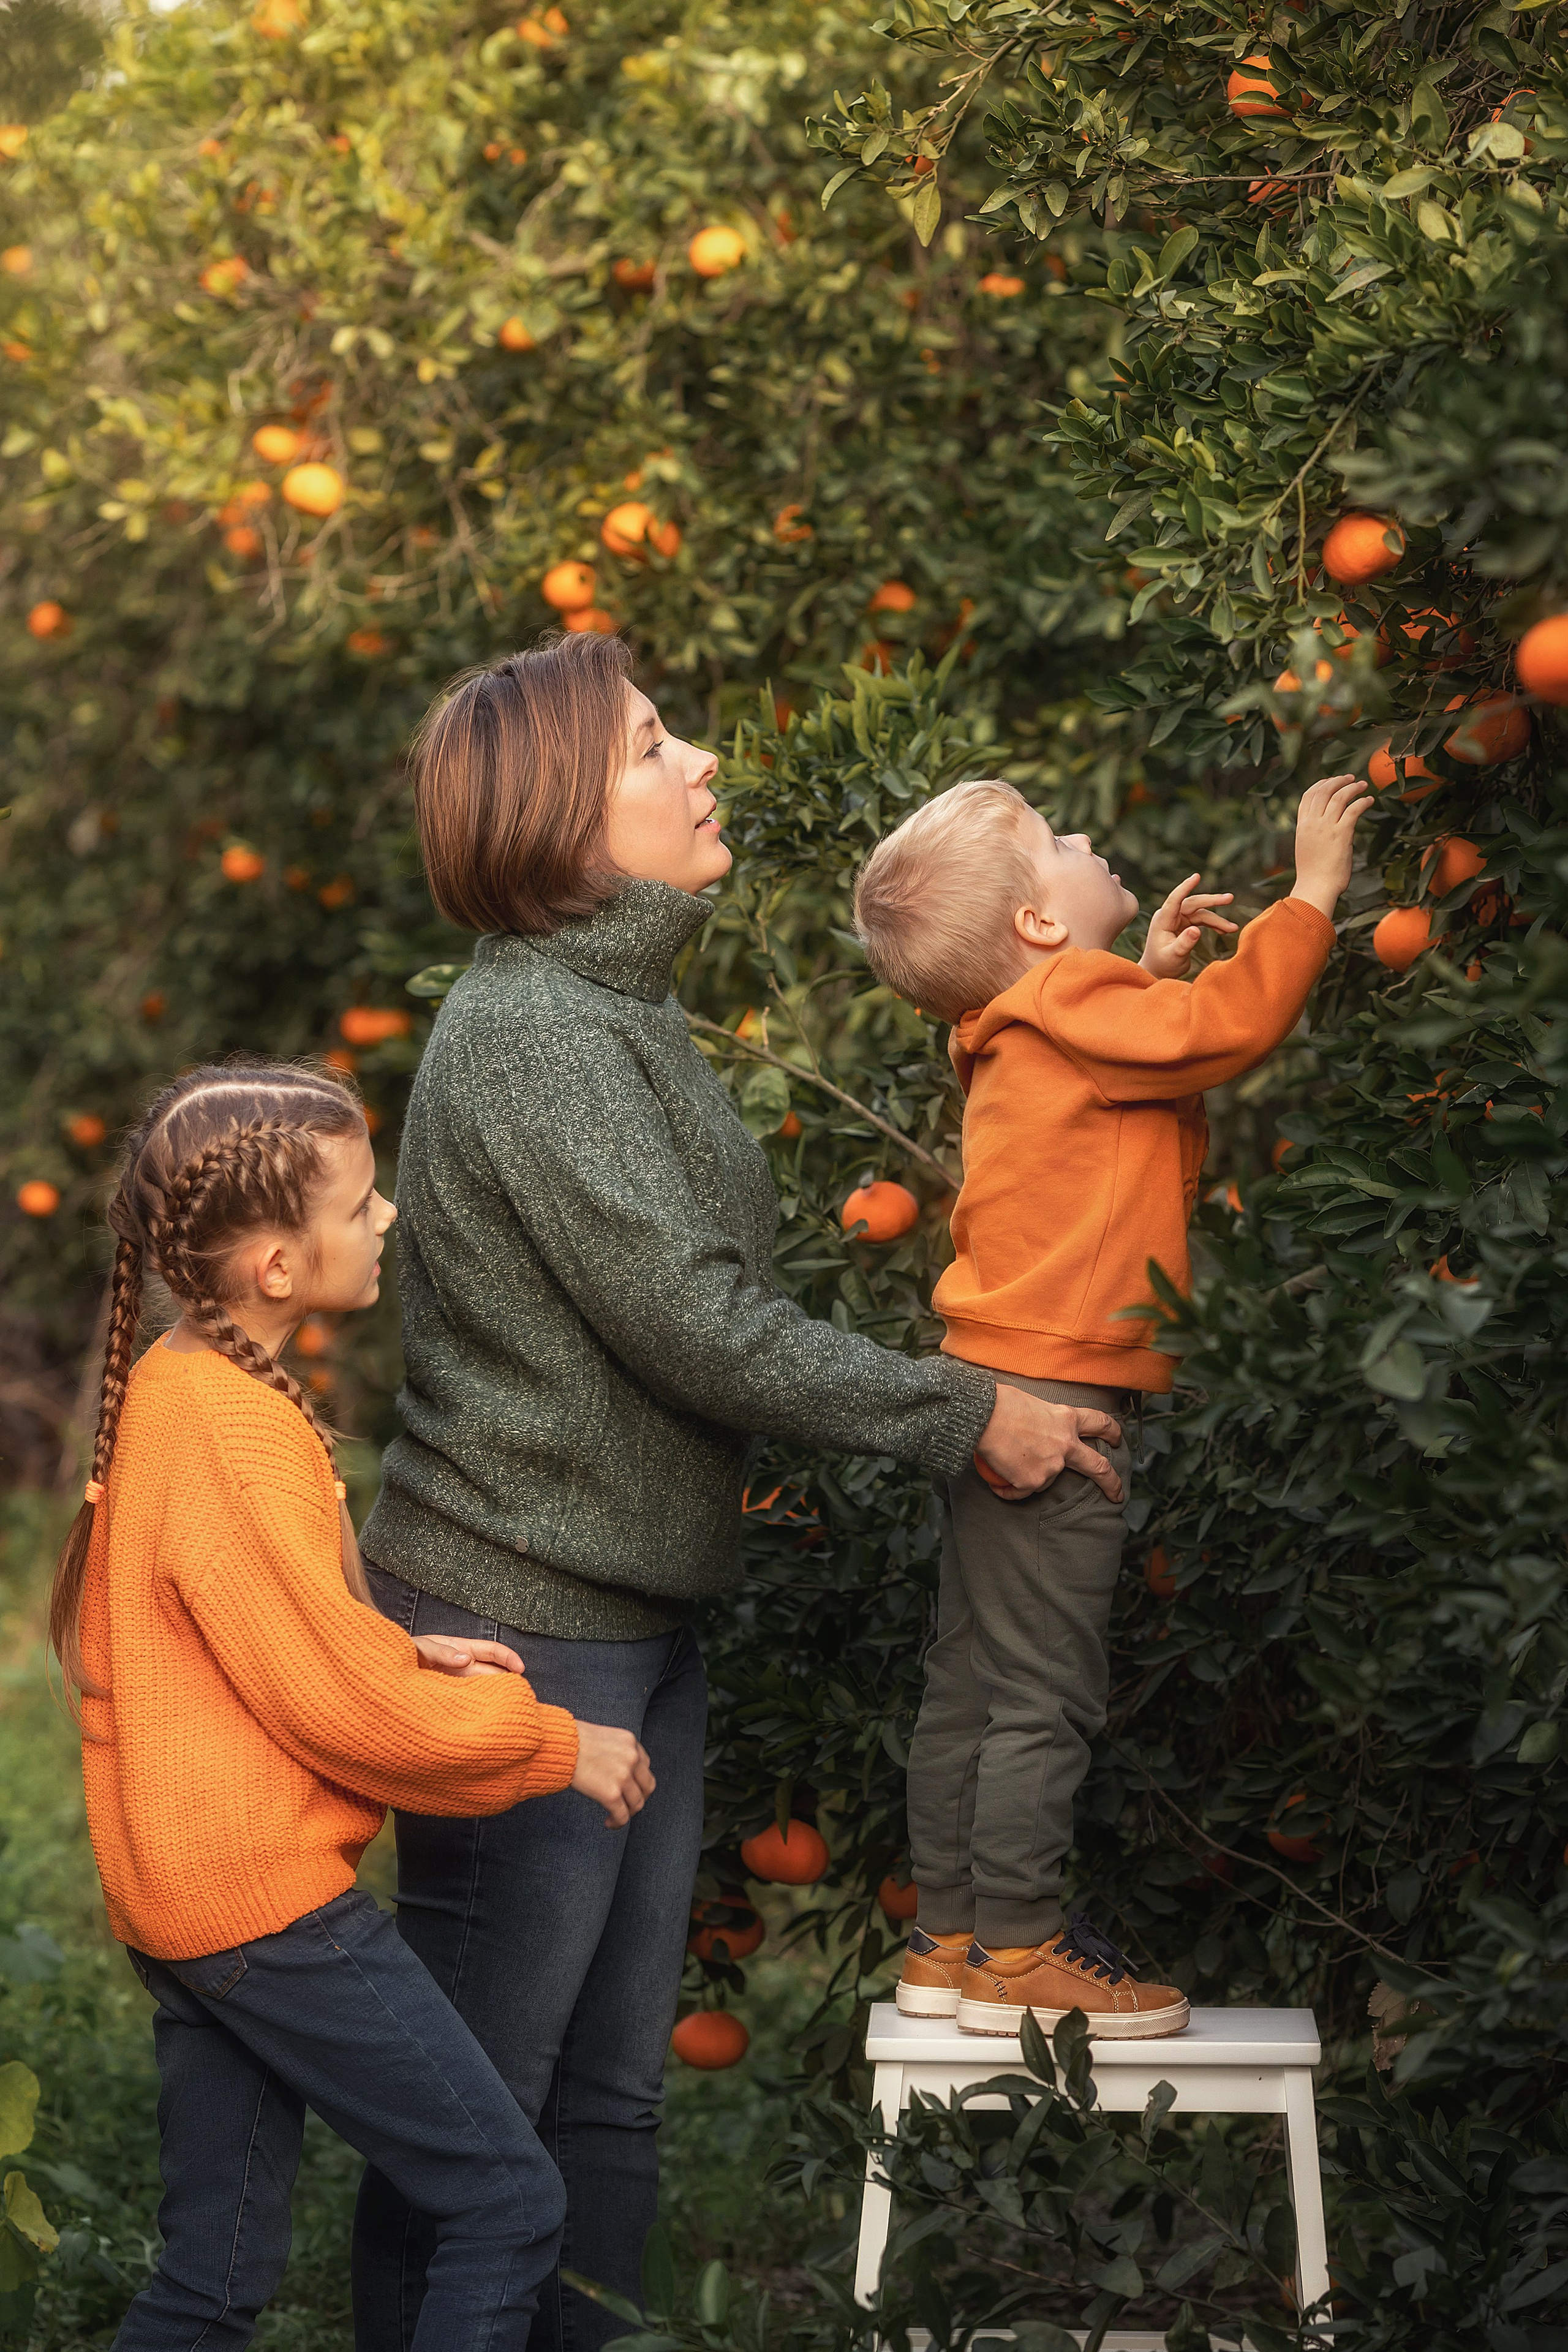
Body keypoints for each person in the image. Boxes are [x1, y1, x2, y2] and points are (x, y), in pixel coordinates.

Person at [352, 630, 1119, 2350]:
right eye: (648, 748)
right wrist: (961, 1410)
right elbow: (695, 1327)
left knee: (606, 2096)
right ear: (561, 818)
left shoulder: (615, 1010)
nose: (699, 762)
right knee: (485, 2118)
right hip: (519, 1629)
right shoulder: (540, 1033)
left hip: (624, 1613)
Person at [51, 1060, 655, 2351]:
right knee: (503, 2200)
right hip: (264, 1903)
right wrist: (555, 1744)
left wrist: (400, 1648)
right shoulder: (235, 1426)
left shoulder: (179, 1384)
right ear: (276, 1266)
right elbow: (333, 1710)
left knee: (210, 2281)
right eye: (362, 1201)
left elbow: (261, 1639)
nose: (385, 1220)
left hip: (184, 1896)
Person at [853, 772, 1371, 2038]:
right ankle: (1023, 1952)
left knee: (971, 1674)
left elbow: (1128, 1079)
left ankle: (951, 1939)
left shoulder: (1031, 1022)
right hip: (1058, 1391)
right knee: (1043, 1691)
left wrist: (1133, 965)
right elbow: (1218, 1034)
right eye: (1059, 840)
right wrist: (1307, 895)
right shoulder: (1075, 1004)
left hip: (983, 1377)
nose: (1085, 839)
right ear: (1036, 927)